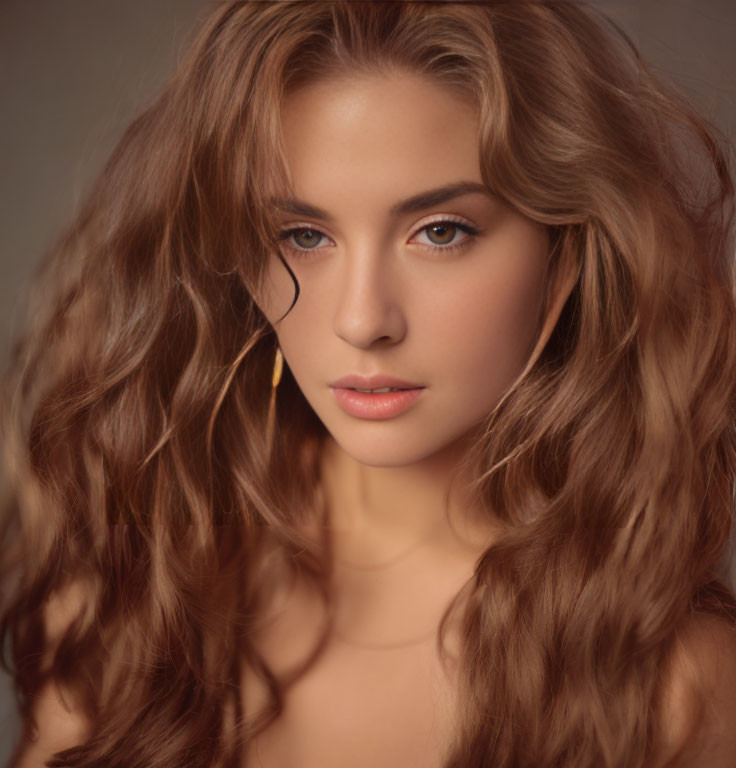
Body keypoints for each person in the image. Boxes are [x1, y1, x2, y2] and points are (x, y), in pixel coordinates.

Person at [1, 0, 736, 766]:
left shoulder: (675, 685)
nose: (362, 321)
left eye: (440, 232)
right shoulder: (134, 599)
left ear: (565, 260)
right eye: (304, 236)